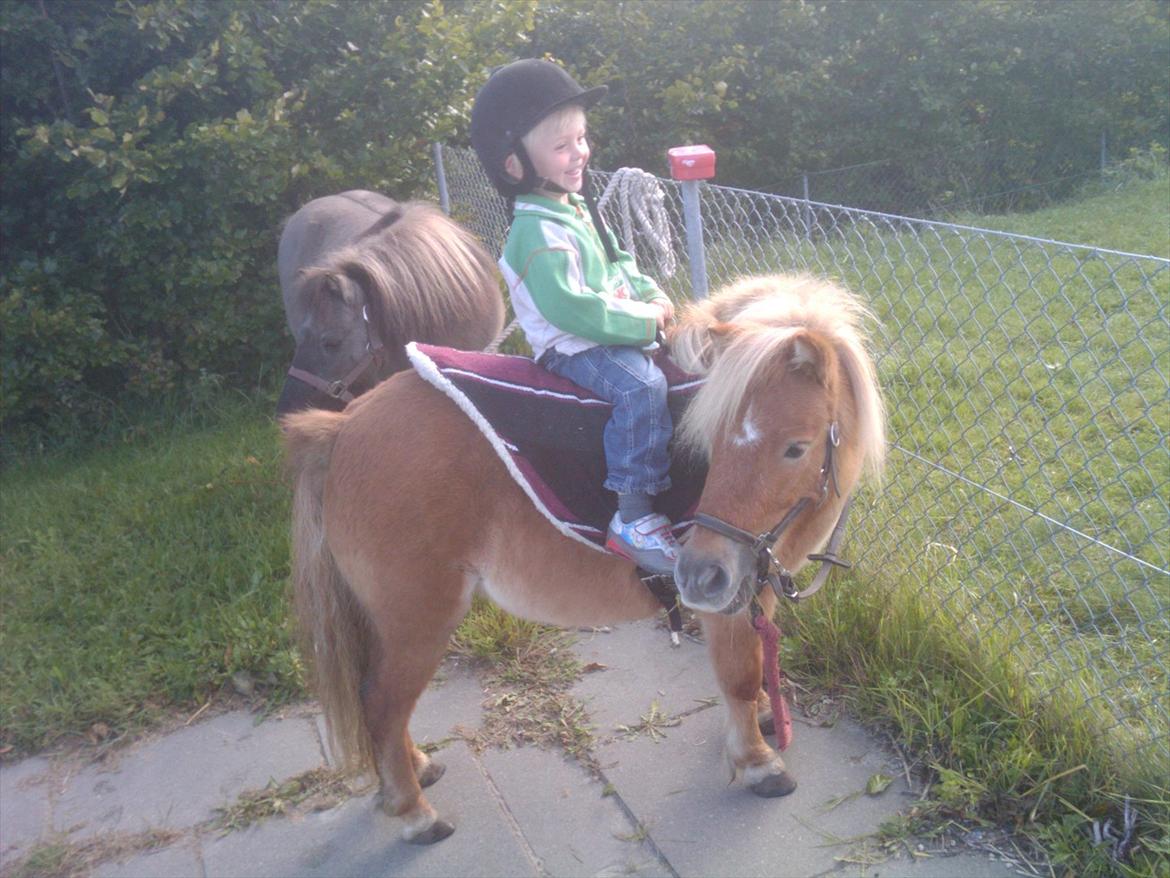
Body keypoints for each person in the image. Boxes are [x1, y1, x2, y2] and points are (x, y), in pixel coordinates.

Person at [470, 58, 679, 575]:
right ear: (515, 164)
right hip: (573, 345)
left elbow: (618, 263)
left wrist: (653, 294)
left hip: (606, 327)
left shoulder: (576, 206)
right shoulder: (536, 232)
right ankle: (632, 515)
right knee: (641, 387)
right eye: (561, 147)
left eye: (581, 139)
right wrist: (645, 324)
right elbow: (574, 310)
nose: (578, 154)